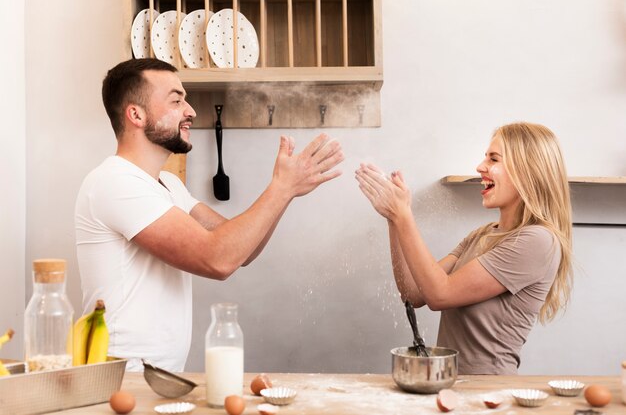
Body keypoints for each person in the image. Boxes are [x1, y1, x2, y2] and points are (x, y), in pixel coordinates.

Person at [75, 58, 344, 372]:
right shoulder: (115, 182)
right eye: (176, 101)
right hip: (119, 378)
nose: (190, 111)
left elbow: (243, 250)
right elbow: (218, 259)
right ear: (136, 114)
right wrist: (281, 189)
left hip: (154, 377)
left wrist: (287, 191)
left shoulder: (169, 185)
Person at [355, 122, 572, 375]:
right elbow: (414, 294)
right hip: (452, 383)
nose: (480, 167)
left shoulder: (538, 241)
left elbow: (440, 295)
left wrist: (404, 216)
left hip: (488, 390)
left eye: (493, 159)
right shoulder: (481, 235)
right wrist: (394, 219)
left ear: (528, 171)